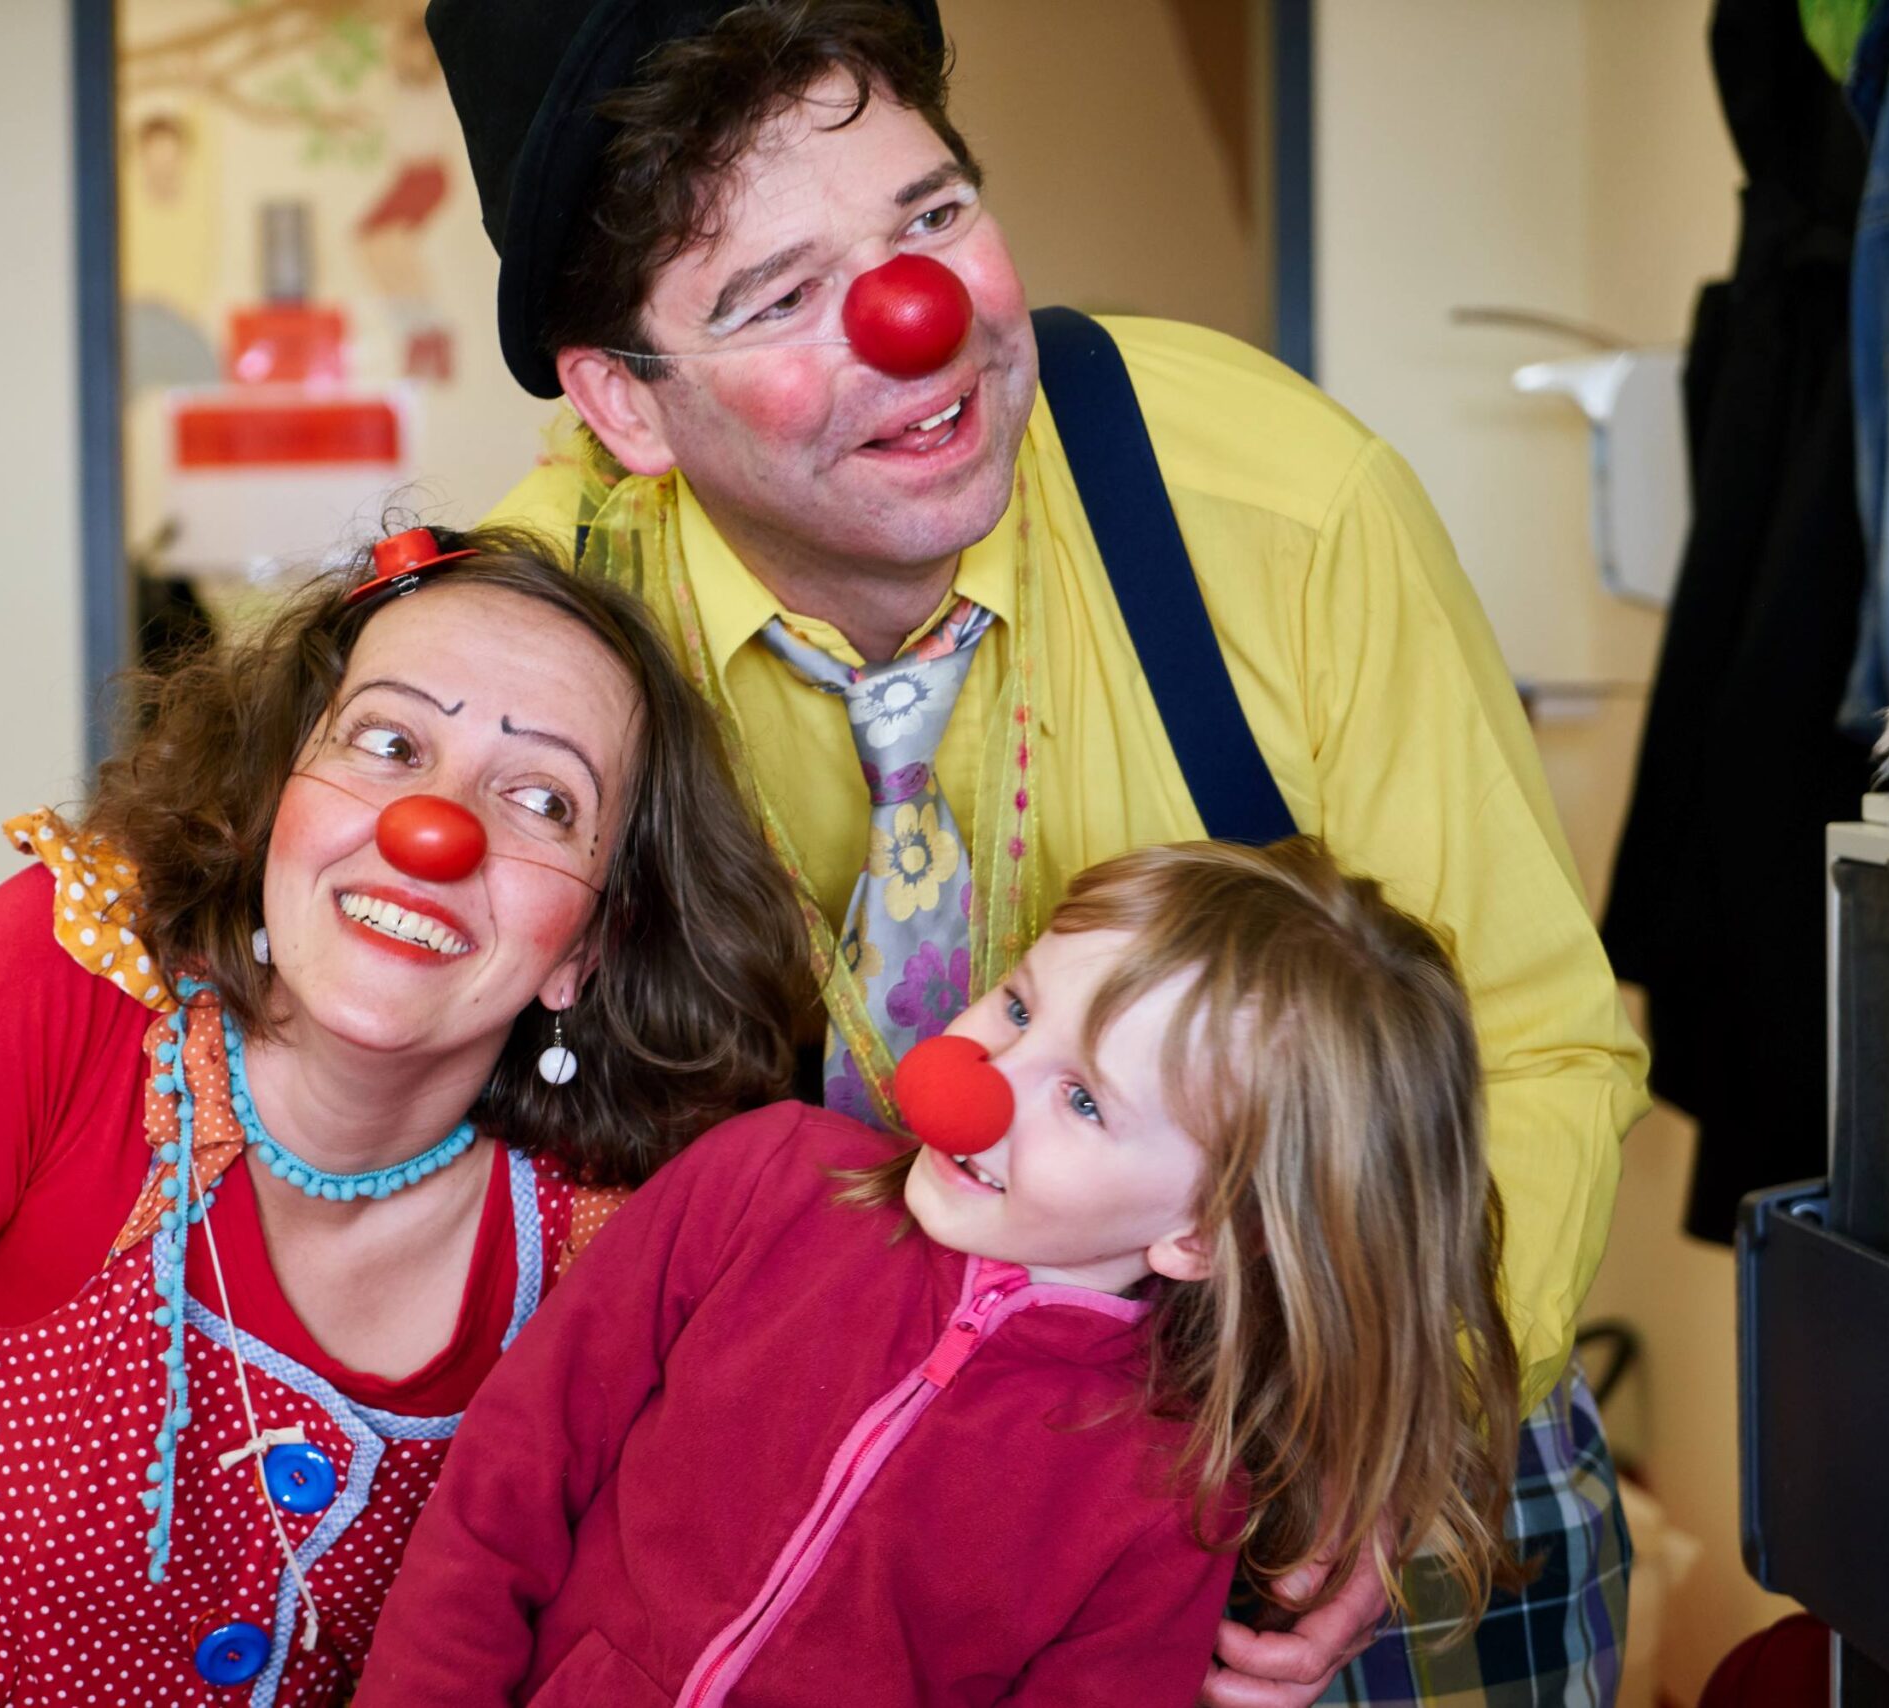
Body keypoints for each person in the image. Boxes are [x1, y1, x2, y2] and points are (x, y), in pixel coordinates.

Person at [421, 1, 1652, 1701]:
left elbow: (1535, 1042)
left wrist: (1386, 1424)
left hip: (1338, 1452)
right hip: (833, 1535)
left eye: (931, 216)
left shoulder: (1279, 504)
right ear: (625, 402)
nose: (918, 325)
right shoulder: (532, 639)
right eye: (778, 296)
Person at [0, 526, 810, 1707]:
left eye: (543, 800)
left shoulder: (603, 1247)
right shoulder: (59, 999)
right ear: (275, 803)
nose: (433, 830)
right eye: (387, 743)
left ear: (586, 947)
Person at [356, 838, 1525, 1707]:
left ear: (1205, 1234)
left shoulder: (1171, 1496)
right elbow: (510, 1478)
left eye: (1082, 1099)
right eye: (1014, 1004)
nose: (978, 1075)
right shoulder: (759, 1178)